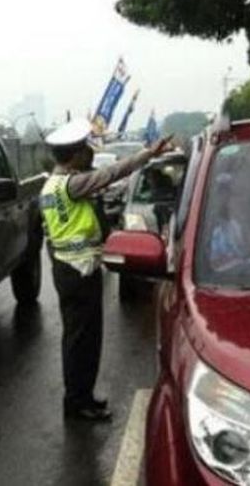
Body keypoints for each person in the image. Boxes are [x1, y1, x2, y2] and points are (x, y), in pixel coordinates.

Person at [40, 119, 173, 422]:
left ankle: (82, 395)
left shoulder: (53, 185)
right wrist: (147, 154)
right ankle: (77, 403)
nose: (90, 152)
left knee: (81, 339)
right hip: (78, 272)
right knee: (81, 340)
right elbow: (113, 173)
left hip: (70, 269)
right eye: (85, 148)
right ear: (74, 155)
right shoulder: (73, 185)